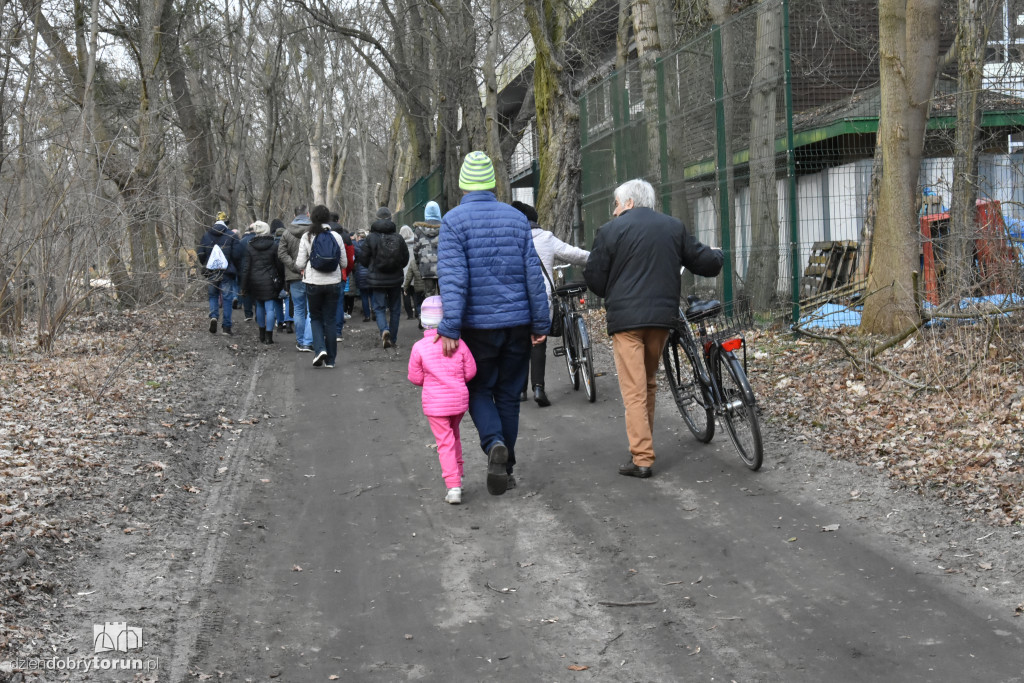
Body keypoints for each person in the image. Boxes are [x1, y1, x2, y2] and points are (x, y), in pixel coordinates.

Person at [584, 178, 724, 479]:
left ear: (630, 203)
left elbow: (594, 279)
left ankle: (642, 457)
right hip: (661, 321)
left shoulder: (609, 232)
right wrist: (719, 255)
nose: (614, 210)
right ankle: (641, 446)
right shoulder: (672, 226)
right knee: (646, 382)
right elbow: (706, 262)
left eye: (617, 204)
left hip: (626, 324)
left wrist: (615, 286)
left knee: (634, 390)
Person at [436, 151, 549, 496]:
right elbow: (533, 274)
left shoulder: (453, 222)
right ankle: (507, 466)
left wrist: (450, 327)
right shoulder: (516, 219)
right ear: (492, 184)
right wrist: (540, 321)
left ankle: (493, 443)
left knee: (478, 389)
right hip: (517, 323)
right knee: (509, 396)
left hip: (475, 328)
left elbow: (454, 279)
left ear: (463, 185)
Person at [512, 200, 591, 407]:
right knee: (539, 341)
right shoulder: (545, 238)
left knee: (520, 342)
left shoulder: (510, 239)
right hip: (541, 297)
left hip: (517, 298)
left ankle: (520, 388)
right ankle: (538, 388)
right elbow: (573, 254)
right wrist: (596, 258)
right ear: (535, 222)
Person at [407, 296, 477, 505]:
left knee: (444, 442)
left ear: (423, 320)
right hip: (458, 401)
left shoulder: (419, 347)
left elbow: (415, 377)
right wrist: (456, 380)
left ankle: (453, 486)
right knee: (454, 436)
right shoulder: (459, 343)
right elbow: (471, 371)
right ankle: (459, 473)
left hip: (435, 404)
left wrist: (431, 381)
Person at [295, 205, 349, 368]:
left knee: (316, 317)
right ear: (328, 219)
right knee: (330, 319)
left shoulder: (307, 236)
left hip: (313, 283)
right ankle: (331, 360)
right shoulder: (336, 236)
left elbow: (299, 264)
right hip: (333, 283)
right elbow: (344, 263)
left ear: (311, 217)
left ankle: (319, 350)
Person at [357, 206, 409, 349]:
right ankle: (393, 337)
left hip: (377, 279)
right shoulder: (398, 237)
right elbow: (405, 259)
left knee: (379, 308)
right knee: (395, 309)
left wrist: (372, 267)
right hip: (395, 279)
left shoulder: (371, 238)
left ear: (377, 219)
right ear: (391, 219)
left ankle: (384, 330)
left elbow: (363, 258)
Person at [197, 211, 245, 336]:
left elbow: (200, 253)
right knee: (227, 298)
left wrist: (206, 263)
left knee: (213, 295)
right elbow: (237, 254)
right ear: (226, 222)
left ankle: (213, 316)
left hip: (212, 271)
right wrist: (235, 267)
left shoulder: (206, 235)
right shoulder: (231, 235)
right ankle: (226, 327)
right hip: (227, 272)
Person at [240, 221, 284, 344]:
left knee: (259, 306)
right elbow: (279, 265)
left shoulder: (250, 246)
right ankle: (269, 337)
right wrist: (282, 280)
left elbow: (246, 267)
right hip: (270, 280)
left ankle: (261, 334)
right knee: (270, 308)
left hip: (255, 280)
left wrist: (243, 285)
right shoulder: (274, 246)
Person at [279, 205, 314, 352]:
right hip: (313, 276)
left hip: (294, 277)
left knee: (298, 309)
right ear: (308, 214)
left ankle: (300, 341)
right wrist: (307, 267)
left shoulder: (286, 233)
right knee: (312, 310)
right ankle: (308, 341)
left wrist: (294, 267)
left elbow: (281, 254)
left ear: (294, 216)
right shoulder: (314, 232)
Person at [330, 212, 355, 342]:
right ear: (338, 220)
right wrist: (347, 271)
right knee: (339, 303)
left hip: (323, 275)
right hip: (341, 274)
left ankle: (326, 331)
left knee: (325, 304)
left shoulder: (320, 234)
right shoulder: (345, 236)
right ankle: (338, 332)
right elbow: (351, 259)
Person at [412, 201, 442, 296]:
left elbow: (415, 250)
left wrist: (419, 263)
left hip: (426, 267)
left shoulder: (419, 230)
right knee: (445, 295)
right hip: (443, 267)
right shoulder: (445, 228)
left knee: (429, 295)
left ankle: (429, 310)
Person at [270, 219, 291, 333]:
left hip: (275, 275)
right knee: (287, 298)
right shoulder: (288, 243)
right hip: (287, 273)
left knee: (277, 299)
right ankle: (288, 322)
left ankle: (279, 323)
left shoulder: (271, 245)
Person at [352, 231, 373, 321]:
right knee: (372, 295)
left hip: (360, 272)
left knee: (364, 296)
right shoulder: (370, 245)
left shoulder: (355, 246)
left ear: (357, 237)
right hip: (370, 272)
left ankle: (367, 315)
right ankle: (375, 313)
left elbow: (353, 260)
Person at [399, 225, 418, 320]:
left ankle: (409, 314)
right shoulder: (416, 242)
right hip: (415, 271)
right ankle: (418, 312)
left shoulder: (400, 244)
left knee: (405, 293)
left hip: (404, 271)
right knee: (415, 292)